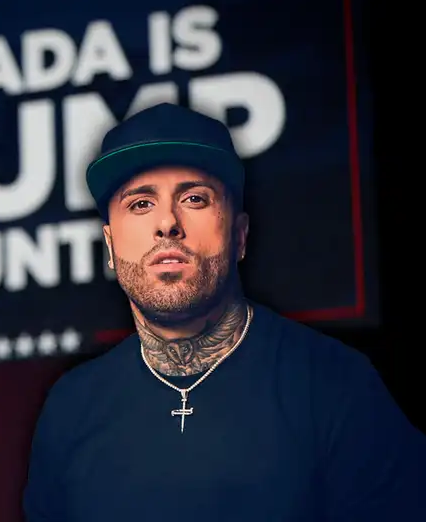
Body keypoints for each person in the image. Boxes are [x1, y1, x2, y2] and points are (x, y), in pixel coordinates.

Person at [22, 103, 425, 521]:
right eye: (140, 204)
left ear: (239, 235)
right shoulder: (69, 408)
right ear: (109, 244)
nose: (167, 223)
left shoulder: (336, 384)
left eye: (194, 198)